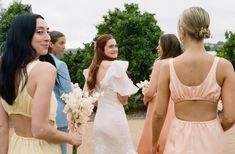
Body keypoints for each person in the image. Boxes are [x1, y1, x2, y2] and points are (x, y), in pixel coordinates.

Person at [152, 7, 235, 154]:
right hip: (213, 142)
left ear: (182, 31)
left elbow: (159, 113)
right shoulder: (224, 66)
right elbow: (230, 117)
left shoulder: (167, 67)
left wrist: (154, 142)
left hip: (178, 139)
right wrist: (213, 131)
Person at [0, 13, 82, 154]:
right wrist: (71, 138)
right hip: (42, 149)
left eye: (47, 31)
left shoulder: (4, 69)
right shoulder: (45, 69)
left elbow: (2, 125)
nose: (47, 38)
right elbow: (40, 130)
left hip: (16, 147)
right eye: (39, 32)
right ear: (23, 36)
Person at [83, 34, 139, 154]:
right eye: (111, 46)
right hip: (116, 118)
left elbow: (90, 99)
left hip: (100, 120)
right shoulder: (116, 67)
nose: (115, 49)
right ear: (101, 49)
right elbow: (123, 100)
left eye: (116, 46)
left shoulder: (92, 70)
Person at [137, 34, 182, 154]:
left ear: (166, 46)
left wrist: (145, 99)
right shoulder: (181, 62)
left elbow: (151, 91)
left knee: (156, 138)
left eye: (159, 45)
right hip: (178, 104)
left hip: (160, 103)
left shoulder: (160, 63)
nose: (157, 48)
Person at [48, 31, 72, 154]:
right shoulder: (60, 65)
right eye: (61, 43)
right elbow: (68, 94)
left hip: (43, 114)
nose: (64, 46)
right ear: (51, 44)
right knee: (61, 150)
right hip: (60, 115)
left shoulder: (39, 62)